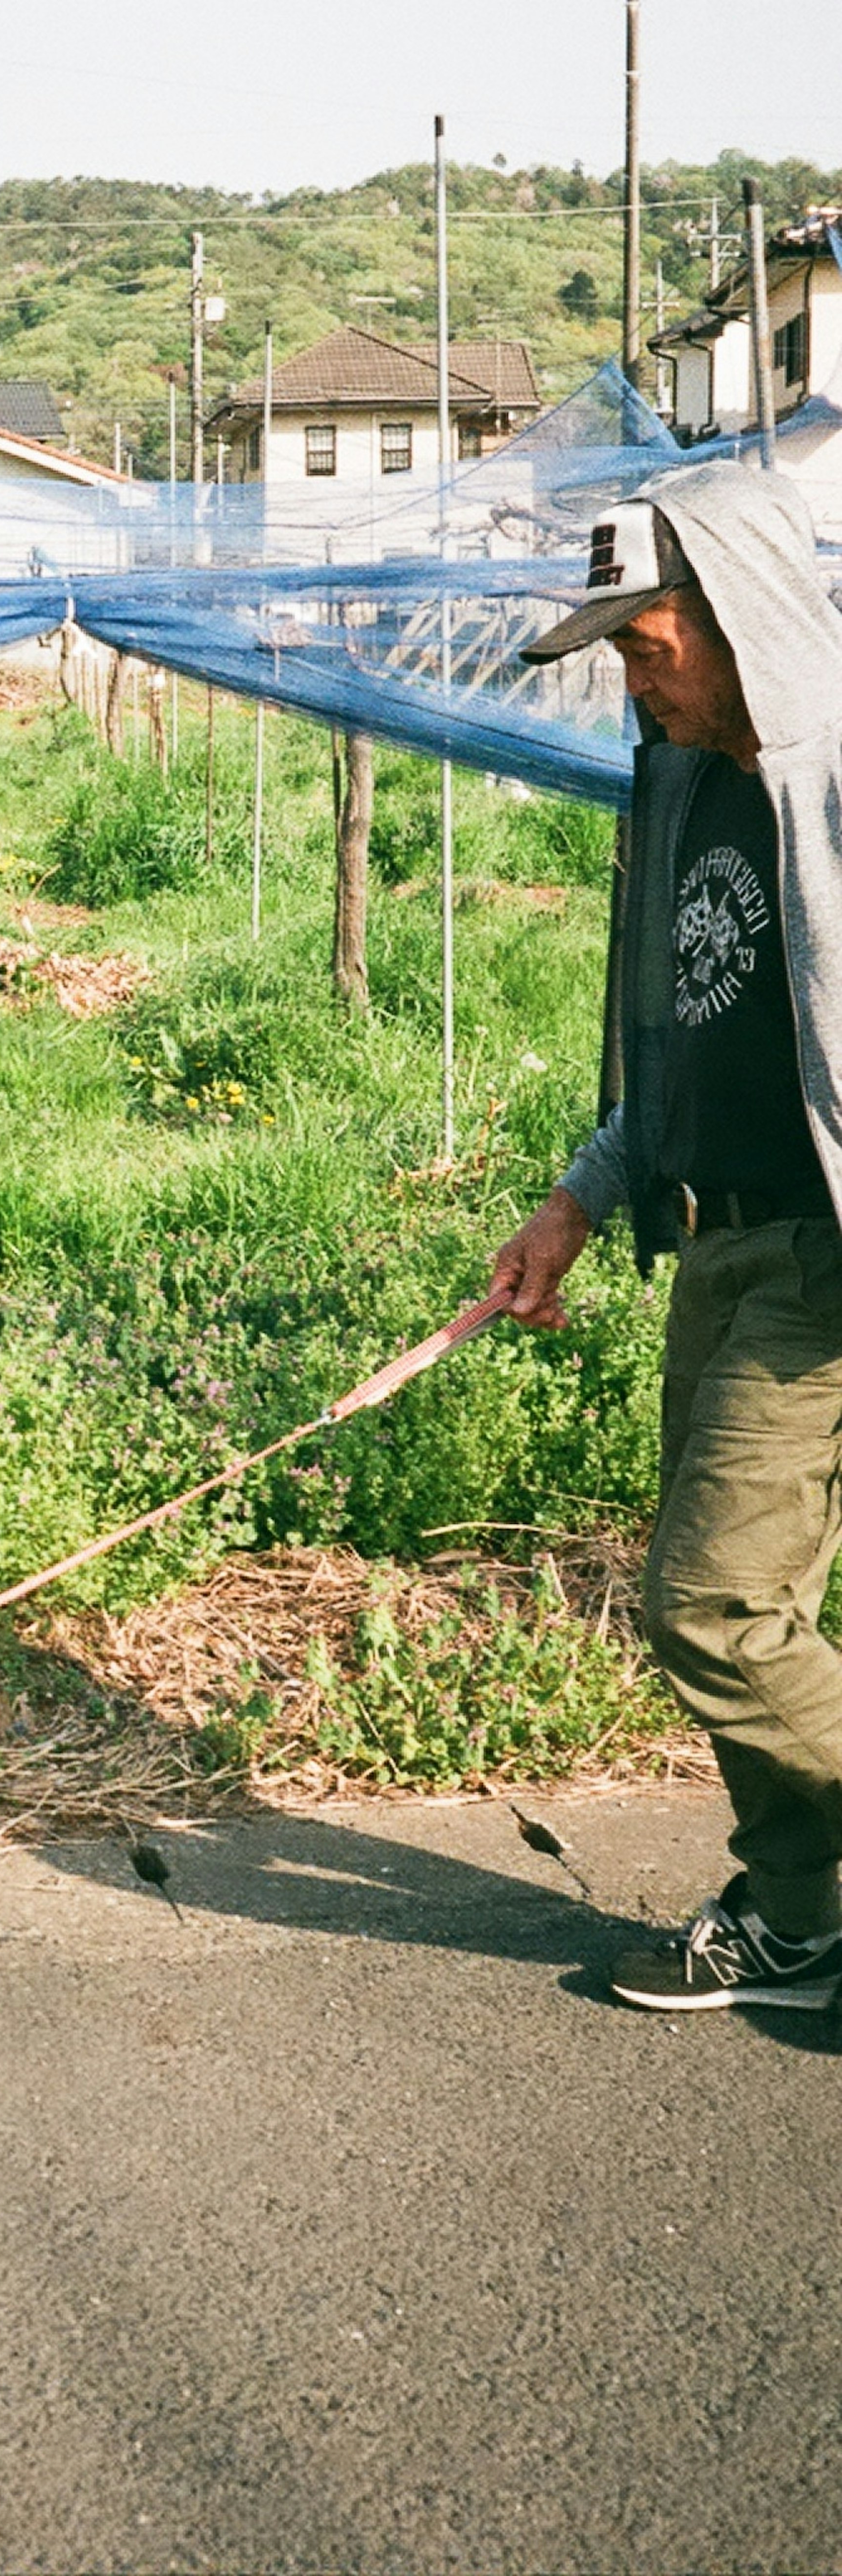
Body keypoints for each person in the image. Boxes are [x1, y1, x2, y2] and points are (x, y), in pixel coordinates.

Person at [493, 461, 842, 2013]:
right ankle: (800, 1910)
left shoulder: (827, 788)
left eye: (649, 642)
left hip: (820, 1256)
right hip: (716, 1247)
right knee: (749, 1608)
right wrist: (579, 1202)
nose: (635, 680)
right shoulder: (687, 785)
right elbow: (670, 1050)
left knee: (709, 1608)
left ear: (741, 616)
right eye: (621, 651)